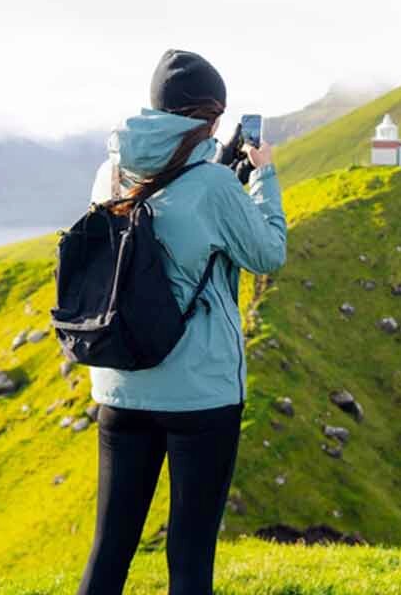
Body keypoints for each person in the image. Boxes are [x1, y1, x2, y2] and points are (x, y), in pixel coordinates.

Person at [76, 49, 287, 595]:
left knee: (109, 550)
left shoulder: (110, 172)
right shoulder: (215, 188)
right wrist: (263, 178)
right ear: (210, 118)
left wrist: (216, 173)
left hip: (120, 387)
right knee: (190, 558)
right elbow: (267, 253)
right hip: (200, 397)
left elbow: (163, 227)